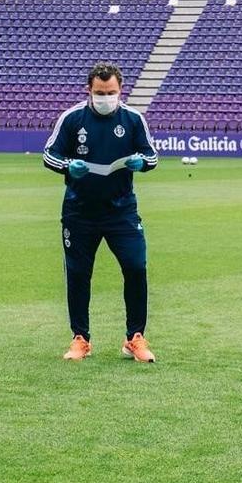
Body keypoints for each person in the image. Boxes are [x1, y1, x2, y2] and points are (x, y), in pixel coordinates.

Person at [43, 62, 158, 362]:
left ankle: (135, 337)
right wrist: (69, 166)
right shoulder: (71, 119)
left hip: (122, 210)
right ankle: (80, 338)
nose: (106, 97)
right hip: (79, 211)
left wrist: (140, 162)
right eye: (100, 93)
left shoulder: (133, 119)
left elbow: (152, 156)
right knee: (79, 274)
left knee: (136, 267)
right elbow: (49, 155)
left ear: (121, 91)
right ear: (89, 91)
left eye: (111, 92)